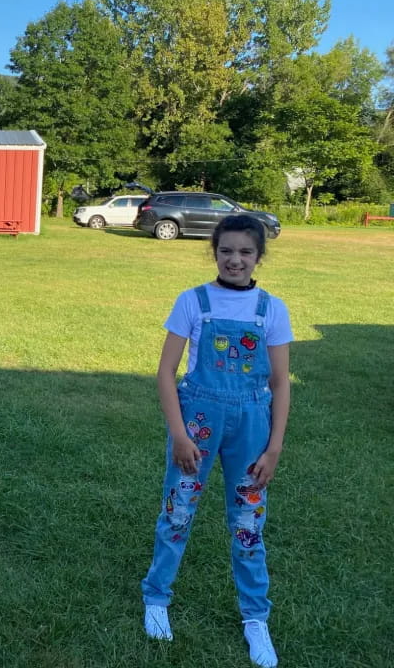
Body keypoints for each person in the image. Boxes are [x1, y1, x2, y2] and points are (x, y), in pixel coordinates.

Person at [140, 214, 292, 667]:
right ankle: (156, 597)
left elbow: (282, 382)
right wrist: (180, 434)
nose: (235, 259)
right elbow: (166, 372)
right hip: (198, 425)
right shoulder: (193, 302)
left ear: (258, 256)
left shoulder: (272, 309)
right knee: (178, 510)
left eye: (246, 252)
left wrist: (275, 446)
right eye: (226, 250)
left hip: (252, 428)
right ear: (215, 252)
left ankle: (255, 618)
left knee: (248, 523)